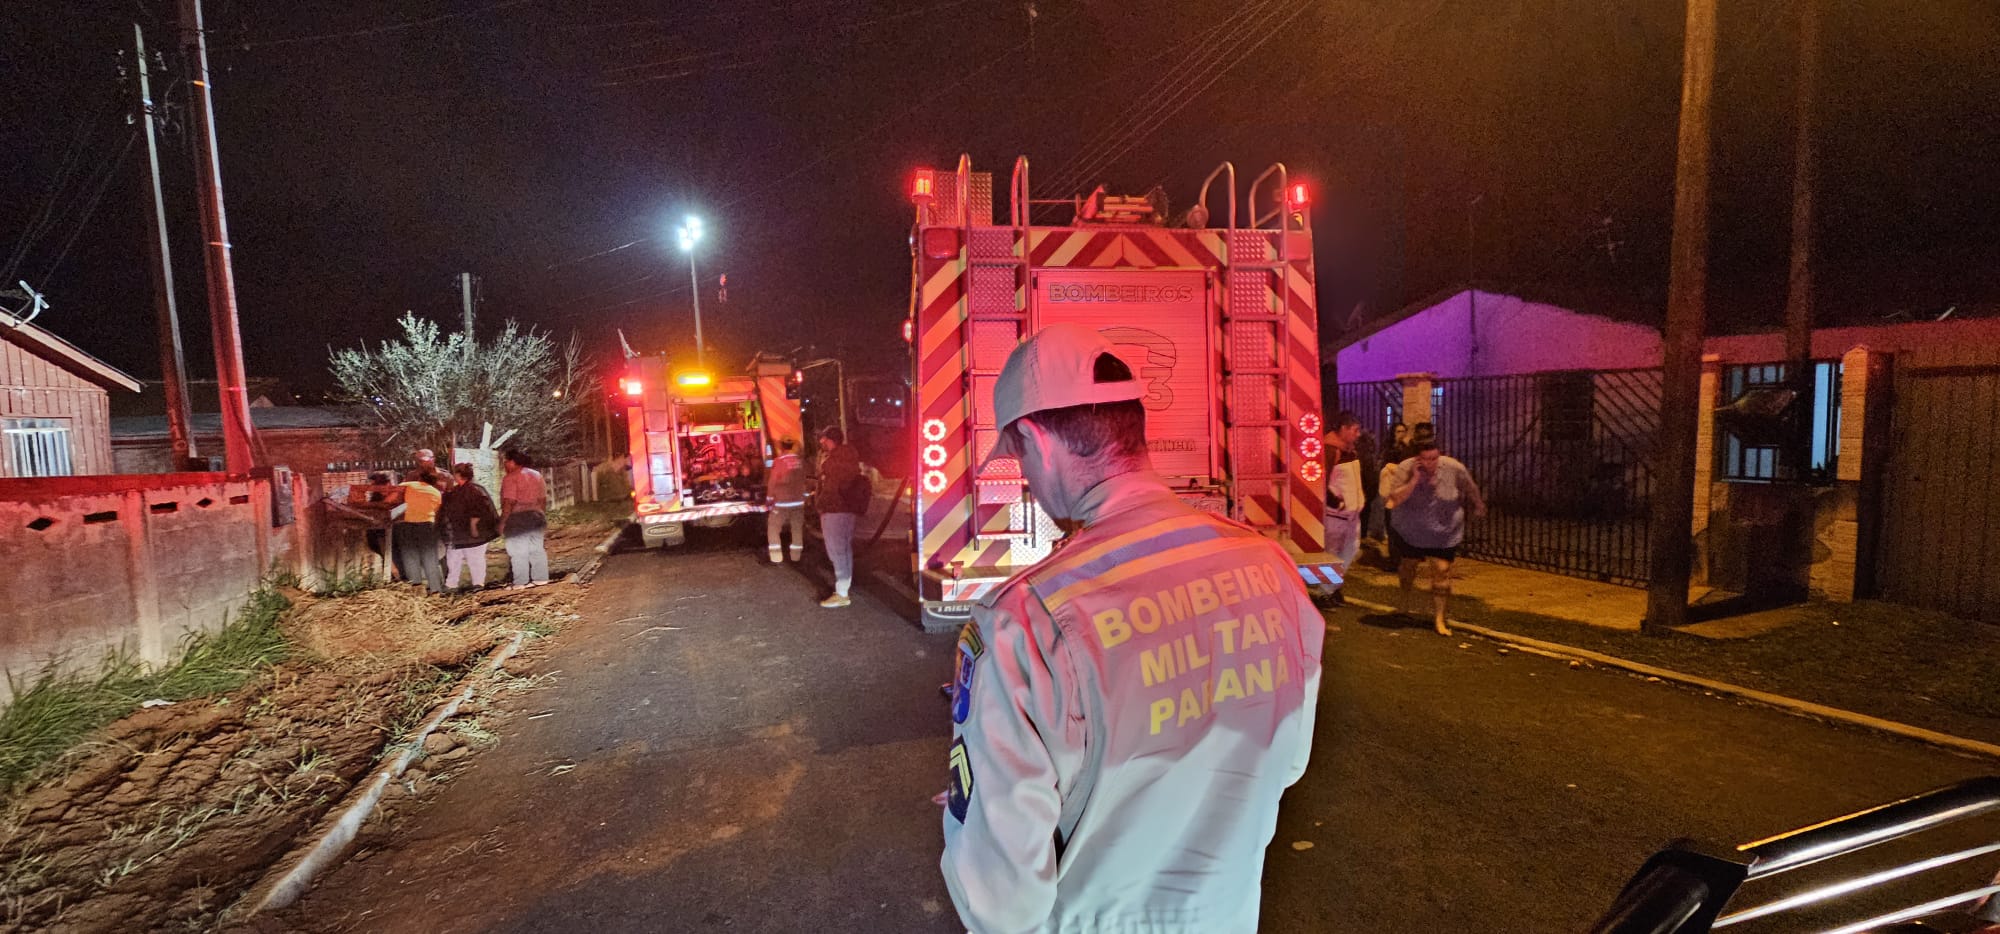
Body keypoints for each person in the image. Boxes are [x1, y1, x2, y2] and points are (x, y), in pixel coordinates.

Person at [940, 323, 1324, 934]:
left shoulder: (1026, 619)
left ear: (1036, 442)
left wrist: (983, 807)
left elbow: (1003, 903)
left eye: (1017, 459)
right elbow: (1285, 759)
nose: (1027, 481)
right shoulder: (1271, 568)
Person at [1386, 438, 1486, 636]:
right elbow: (1395, 498)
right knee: (1408, 565)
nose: (1431, 463)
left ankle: (1439, 618)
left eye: (1434, 458)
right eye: (1426, 459)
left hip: (1444, 529)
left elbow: (1470, 487)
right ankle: (1404, 603)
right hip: (1413, 528)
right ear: (1417, 459)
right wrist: (1414, 480)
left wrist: (1478, 504)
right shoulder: (1406, 469)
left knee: (1442, 570)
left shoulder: (1453, 467)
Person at [813, 426, 865, 608]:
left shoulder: (834, 461)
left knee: (836, 551)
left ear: (830, 440)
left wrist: (819, 503)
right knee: (844, 549)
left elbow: (829, 487)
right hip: (846, 510)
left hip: (834, 511)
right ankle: (844, 586)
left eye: (824, 439)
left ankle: (842, 593)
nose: (821, 442)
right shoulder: (849, 457)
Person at [1323, 411, 1364, 604]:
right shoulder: (1331, 450)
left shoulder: (1349, 450)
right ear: (1343, 429)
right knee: (1332, 553)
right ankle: (1328, 591)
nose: (1358, 434)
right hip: (1336, 515)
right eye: (1355, 430)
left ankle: (1332, 587)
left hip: (1351, 513)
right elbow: (1321, 481)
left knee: (1351, 550)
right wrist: (1335, 502)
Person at [438, 462, 500, 590]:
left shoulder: (474, 490)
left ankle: (477, 583)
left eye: (455, 473)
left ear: (459, 475)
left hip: (474, 532)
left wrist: (473, 526)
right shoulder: (456, 491)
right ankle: (451, 584)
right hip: (459, 533)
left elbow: (478, 510)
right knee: (454, 558)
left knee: (474, 557)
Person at [386, 468, 446, 593]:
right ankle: (435, 589)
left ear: (419, 477)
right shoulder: (436, 493)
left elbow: (390, 500)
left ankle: (416, 588)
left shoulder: (406, 485)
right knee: (429, 557)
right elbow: (435, 511)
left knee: (409, 556)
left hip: (405, 524)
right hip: (427, 525)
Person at [500, 448, 551, 588]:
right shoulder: (537, 475)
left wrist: (503, 522)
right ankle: (540, 579)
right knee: (537, 548)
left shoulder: (510, 478)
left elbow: (509, 502)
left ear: (512, 462)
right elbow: (543, 499)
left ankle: (520, 582)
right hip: (536, 515)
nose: (504, 464)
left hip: (518, 518)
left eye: (506, 461)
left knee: (518, 551)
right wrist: (541, 514)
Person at [766, 438, 808, 564]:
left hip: (782, 502)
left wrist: (769, 498)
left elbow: (773, 481)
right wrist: (804, 496)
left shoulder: (779, 462)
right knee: (796, 528)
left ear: (782, 448)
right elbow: (804, 479)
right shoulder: (800, 461)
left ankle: (776, 556)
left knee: (773, 527)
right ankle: (796, 556)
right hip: (798, 501)